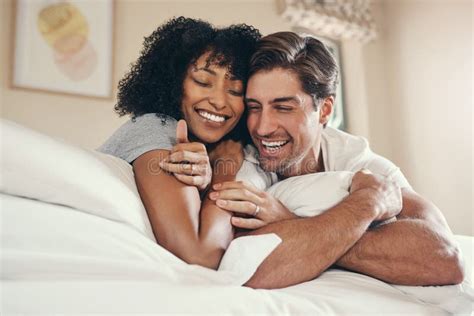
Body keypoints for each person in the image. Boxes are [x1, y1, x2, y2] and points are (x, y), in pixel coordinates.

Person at [208, 32, 464, 289]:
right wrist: (367, 204)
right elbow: (248, 270)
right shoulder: (245, 162)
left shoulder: (357, 159)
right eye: (254, 107)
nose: (262, 128)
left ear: (325, 110)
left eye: (283, 108)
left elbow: (446, 258)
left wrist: (293, 225)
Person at [99, 17, 265, 269]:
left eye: (235, 90)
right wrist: (226, 167)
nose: (219, 101)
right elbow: (200, 256)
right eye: (202, 82)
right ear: (175, 82)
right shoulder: (155, 129)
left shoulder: (239, 149)